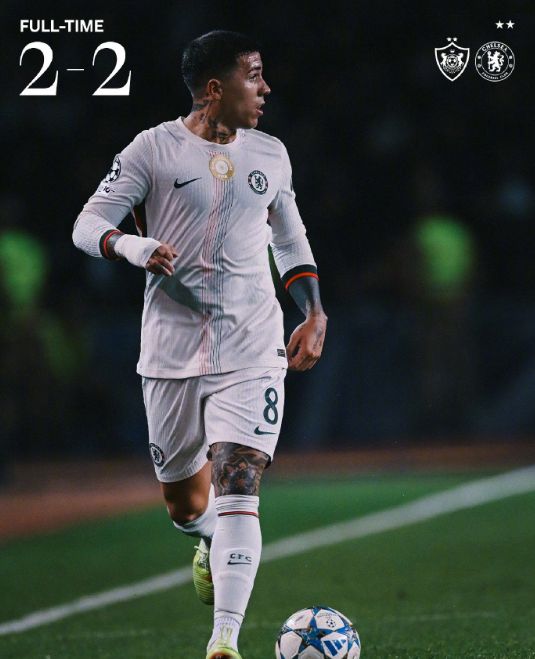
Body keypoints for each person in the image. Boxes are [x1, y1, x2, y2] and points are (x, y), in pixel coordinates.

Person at [72, 30, 327, 659]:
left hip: (253, 344)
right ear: (215, 88)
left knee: (239, 483)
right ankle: (205, 535)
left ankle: (223, 640)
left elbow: (289, 239)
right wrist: (132, 246)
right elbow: (87, 224)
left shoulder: (270, 154)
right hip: (170, 350)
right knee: (186, 505)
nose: (265, 89)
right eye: (254, 76)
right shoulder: (152, 150)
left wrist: (314, 311)